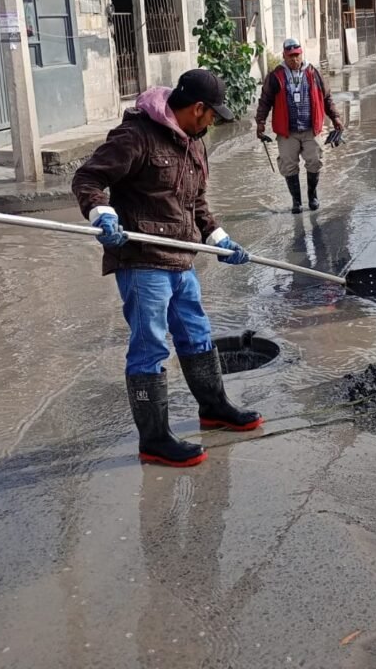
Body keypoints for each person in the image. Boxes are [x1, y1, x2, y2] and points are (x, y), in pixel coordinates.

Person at [72, 68, 262, 469]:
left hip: (181, 261)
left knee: (196, 334)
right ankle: (154, 439)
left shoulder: (193, 145)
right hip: (142, 261)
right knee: (150, 347)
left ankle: (214, 408)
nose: (213, 123)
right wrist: (101, 215)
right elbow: (88, 178)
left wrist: (219, 239)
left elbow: (197, 205)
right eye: (212, 115)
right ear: (197, 108)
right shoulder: (137, 135)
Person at [255, 38, 343, 213]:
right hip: (287, 131)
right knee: (289, 165)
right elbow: (265, 101)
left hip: (311, 129)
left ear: (301, 54)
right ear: (284, 56)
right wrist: (260, 122)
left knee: (315, 161)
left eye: (297, 55)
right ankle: (297, 202)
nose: (294, 60)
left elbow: (327, 98)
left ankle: (312, 196)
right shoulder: (275, 76)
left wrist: (336, 118)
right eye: (290, 57)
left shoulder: (314, 73)